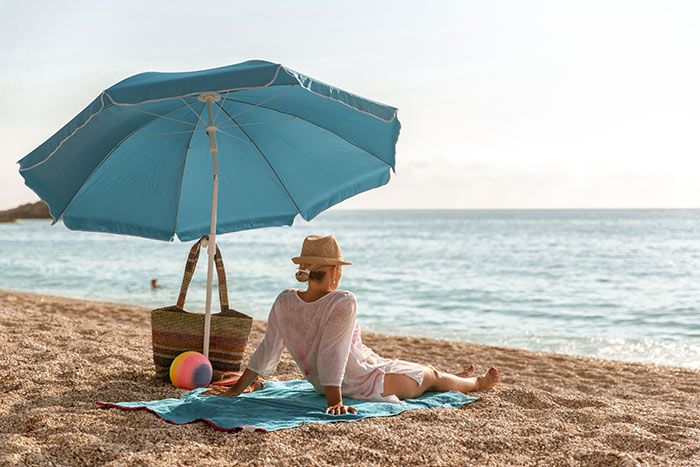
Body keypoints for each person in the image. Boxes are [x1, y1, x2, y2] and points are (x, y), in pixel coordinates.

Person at [204, 235, 500, 415]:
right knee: (431, 375)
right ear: (333, 272)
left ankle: (454, 380)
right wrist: (335, 401)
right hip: (363, 381)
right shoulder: (342, 301)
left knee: (422, 372)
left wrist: (237, 390)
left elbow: (267, 350)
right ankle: (475, 383)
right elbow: (333, 353)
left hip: (324, 382)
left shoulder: (284, 301)